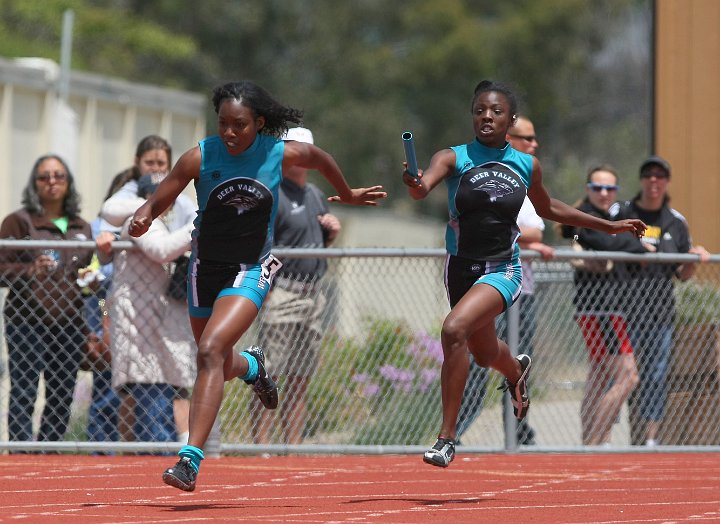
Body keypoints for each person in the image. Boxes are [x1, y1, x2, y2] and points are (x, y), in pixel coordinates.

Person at [128, 80, 387, 491]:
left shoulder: (279, 153)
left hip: (250, 266)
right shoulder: (202, 155)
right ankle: (252, 366)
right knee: (215, 358)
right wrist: (145, 213)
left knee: (210, 350)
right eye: (224, 123)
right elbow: (165, 193)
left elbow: (320, 158)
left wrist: (347, 193)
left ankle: (189, 460)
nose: (230, 133)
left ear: (259, 123)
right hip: (204, 267)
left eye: (240, 125)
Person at [401, 80, 646, 468]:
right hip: (460, 268)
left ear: (509, 120)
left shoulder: (525, 164)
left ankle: (446, 438)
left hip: (503, 268)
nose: (487, 116)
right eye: (480, 109)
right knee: (483, 352)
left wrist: (608, 226)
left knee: (453, 330)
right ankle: (515, 373)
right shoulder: (453, 157)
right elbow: (422, 186)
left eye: (496, 111)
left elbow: (551, 209)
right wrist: (415, 183)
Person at [455, 115, 554, 446]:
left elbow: (537, 227)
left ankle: (512, 433)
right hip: (474, 278)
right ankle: (463, 427)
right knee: (480, 356)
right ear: (507, 136)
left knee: (470, 341)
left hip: (514, 285)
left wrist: (508, 230)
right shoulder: (476, 177)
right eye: (527, 138)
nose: (533, 144)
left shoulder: (520, 182)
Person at [97, 135, 197, 444]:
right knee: (139, 389)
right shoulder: (136, 212)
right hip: (136, 314)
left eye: (162, 166)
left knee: (175, 384)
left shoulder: (178, 205)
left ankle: (181, 449)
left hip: (168, 309)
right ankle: (137, 456)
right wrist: (201, 227)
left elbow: (190, 215)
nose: (155, 171)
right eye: (149, 163)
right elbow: (162, 248)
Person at [251, 126, 341, 445]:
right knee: (268, 374)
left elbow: (315, 242)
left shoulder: (315, 195)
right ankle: (261, 448)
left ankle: (293, 447)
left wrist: (330, 233)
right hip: (284, 290)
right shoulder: (273, 193)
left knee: (301, 377)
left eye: (307, 154)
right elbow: (265, 246)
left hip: (312, 292)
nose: (301, 159)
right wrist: (268, 289)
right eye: (295, 151)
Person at [617, 156, 710, 446]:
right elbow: (600, 242)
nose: (654, 181)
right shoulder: (624, 212)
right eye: (648, 175)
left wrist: (694, 257)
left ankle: (650, 438)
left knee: (655, 375)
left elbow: (683, 275)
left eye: (660, 176)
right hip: (622, 310)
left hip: (660, 313)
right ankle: (606, 438)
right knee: (620, 376)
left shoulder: (675, 221)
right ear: (641, 180)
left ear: (667, 181)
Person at [0, 154, 93, 442]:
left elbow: (93, 279)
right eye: (44, 176)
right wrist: (29, 270)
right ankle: (21, 449)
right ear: (34, 184)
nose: (52, 181)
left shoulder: (81, 227)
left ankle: (48, 451)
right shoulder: (19, 222)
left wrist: (91, 281)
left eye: (59, 176)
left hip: (69, 322)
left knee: (63, 389)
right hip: (25, 320)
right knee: (25, 388)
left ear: (68, 183)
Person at [561, 165, 648, 445]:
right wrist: (632, 242)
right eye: (597, 187)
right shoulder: (583, 218)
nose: (603, 193)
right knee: (629, 377)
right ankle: (595, 442)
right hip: (600, 308)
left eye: (609, 188)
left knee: (599, 376)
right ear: (588, 189)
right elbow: (599, 240)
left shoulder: (613, 216)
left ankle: (591, 440)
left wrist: (620, 238)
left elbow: (614, 241)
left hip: (610, 307)